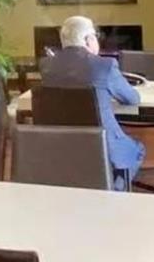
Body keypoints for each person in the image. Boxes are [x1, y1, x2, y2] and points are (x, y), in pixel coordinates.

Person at [40, 15, 144, 188]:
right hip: (102, 145)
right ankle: (113, 192)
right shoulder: (105, 65)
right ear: (88, 40)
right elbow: (132, 99)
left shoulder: (46, 66)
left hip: (61, 145)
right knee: (136, 150)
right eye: (95, 36)